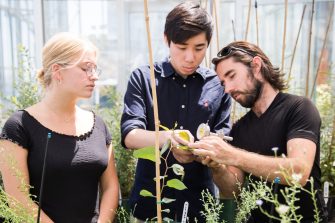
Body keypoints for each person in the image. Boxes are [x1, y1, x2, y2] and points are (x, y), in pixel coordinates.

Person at [188, 41, 328, 222]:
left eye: (232, 76)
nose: (227, 89)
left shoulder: (299, 108)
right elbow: (232, 190)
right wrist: (218, 166)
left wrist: (232, 155)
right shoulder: (239, 129)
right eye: (223, 83)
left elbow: (298, 173)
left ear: (256, 66)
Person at [120, 2, 231, 222]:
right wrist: (169, 138)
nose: (190, 57)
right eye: (181, 47)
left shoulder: (218, 84)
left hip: (200, 206)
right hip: (150, 205)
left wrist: (208, 151)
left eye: (199, 48)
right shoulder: (144, 78)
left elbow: (223, 142)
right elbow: (130, 136)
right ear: (166, 40)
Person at [0, 33, 119, 223]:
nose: (94, 76)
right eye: (86, 68)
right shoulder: (19, 126)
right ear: (57, 71)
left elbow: (111, 186)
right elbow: (17, 199)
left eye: (95, 69)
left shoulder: (98, 125)